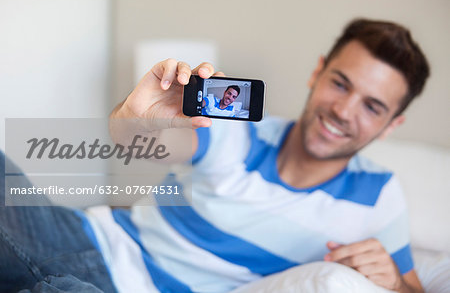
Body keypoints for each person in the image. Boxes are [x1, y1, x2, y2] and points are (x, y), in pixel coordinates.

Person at [0, 18, 430, 293]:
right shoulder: (234, 129)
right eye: (340, 83)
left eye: (372, 106)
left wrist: (394, 281)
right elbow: (133, 143)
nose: (343, 110)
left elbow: (412, 289)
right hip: (83, 235)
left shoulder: (379, 197)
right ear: (317, 72)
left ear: (392, 124)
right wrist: (136, 117)